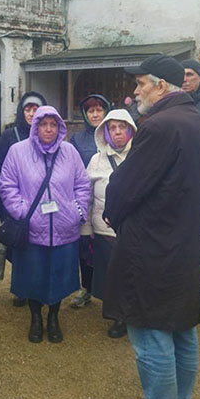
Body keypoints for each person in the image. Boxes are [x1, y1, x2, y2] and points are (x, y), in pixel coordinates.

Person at [104, 54, 200, 399]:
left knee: (151, 332)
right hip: (184, 245)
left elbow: (124, 188)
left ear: (161, 86)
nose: (135, 92)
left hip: (151, 247)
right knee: (181, 328)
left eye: (141, 85)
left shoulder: (160, 126)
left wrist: (116, 218)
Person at [0, 106, 90, 343]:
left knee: (58, 276)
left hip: (64, 229)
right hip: (32, 230)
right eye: (43, 124)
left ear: (60, 127)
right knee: (33, 277)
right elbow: (7, 185)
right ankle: (36, 318)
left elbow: (82, 185)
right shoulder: (17, 152)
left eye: (53, 125)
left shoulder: (69, 152)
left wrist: (77, 212)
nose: (48, 129)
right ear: (35, 126)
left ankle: (54, 317)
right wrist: (22, 212)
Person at [81, 108, 137, 338]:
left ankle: (132, 315)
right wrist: (86, 228)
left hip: (133, 231)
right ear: (105, 132)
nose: (117, 132)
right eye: (112, 128)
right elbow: (88, 196)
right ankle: (118, 317)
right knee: (110, 276)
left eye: (122, 127)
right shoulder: (96, 160)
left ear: (131, 129)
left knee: (132, 275)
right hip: (104, 230)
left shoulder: (141, 157)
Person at [0, 91, 46, 307]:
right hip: (15, 203)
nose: (32, 114)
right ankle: (22, 289)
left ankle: (38, 287)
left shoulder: (48, 133)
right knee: (19, 248)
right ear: (21, 111)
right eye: (28, 109)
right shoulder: (9, 136)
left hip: (41, 203)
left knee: (40, 248)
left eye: (36, 109)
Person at [70, 94, 110, 309]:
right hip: (86, 200)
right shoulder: (77, 139)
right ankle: (86, 287)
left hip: (107, 200)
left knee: (106, 247)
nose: (95, 114)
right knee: (84, 246)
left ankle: (107, 289)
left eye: (99, 110)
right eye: (90, 111)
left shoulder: (113, 133)